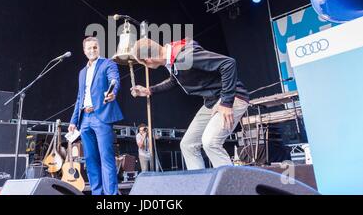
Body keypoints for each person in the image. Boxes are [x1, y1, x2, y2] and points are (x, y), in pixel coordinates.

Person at [130, 38, 249, 170]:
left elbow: (228, 63)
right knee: (187, 144)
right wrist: (149, 90)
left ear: (148, 59)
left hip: (232, 97)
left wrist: (227, 103)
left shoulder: (184, 56)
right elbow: (174, 81)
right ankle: (200, 186)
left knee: (210, 142)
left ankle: (230, 187)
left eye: (143, 63)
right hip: (212, 102)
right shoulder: (173, 60)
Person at [68, 36, 123, 195]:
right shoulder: (82, 72)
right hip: (84, 119)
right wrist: (73, 121)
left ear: (99, 48)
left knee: (106, 158)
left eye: (95, 47)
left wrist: (112, 92)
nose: (92, 50)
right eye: (89, 48)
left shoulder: (108, 64)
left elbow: (114, 80)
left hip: (101, 117)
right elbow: (79, 97)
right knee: (91, 161)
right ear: (84, 51)